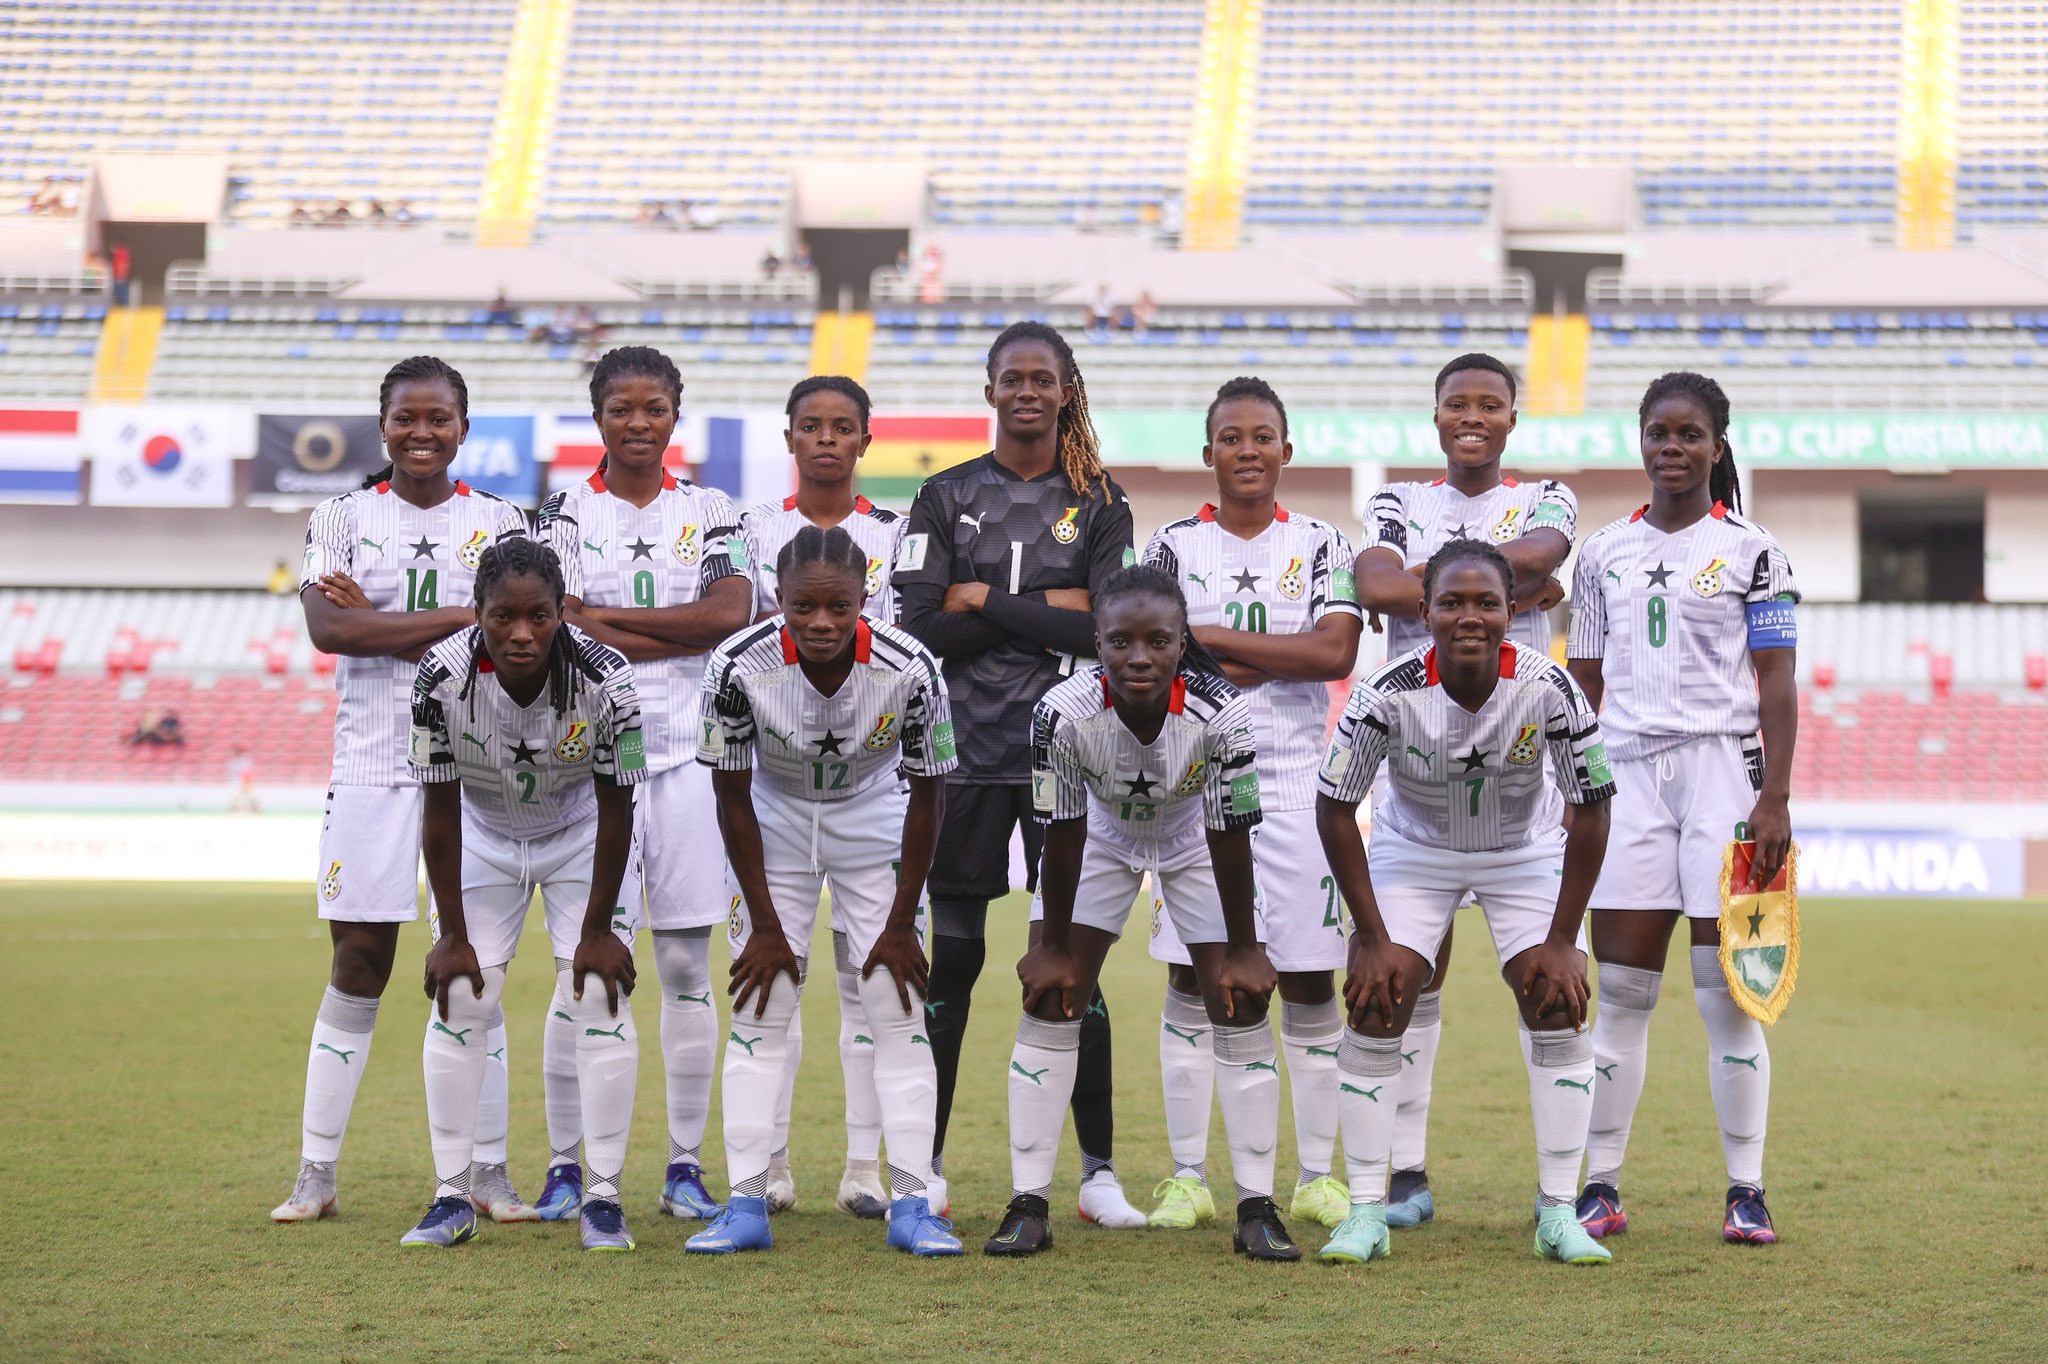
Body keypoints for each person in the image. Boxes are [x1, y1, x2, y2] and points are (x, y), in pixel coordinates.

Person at [272, 356, 530, 1226]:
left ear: (464, 427)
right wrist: (464, 619)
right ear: (382, 425)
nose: (423, 432)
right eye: (406, 418)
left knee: (476, 970)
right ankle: (315, 1172)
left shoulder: (501, 522)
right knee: (359, 961)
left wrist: (379, 621)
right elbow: (328, 628)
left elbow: (518, 636)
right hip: (372, 765)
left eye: (439, 418)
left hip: (479, 765)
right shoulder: (342, 517)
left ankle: (488, 1172)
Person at [895, 320, 1142, 1228]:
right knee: (953, 962)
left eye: (1044, 378)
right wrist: (1049, 608)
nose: (1028, 391)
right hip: (960, 757)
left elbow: (1114, 633)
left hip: (1067, 757)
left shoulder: (1101, 499)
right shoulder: (944, 494)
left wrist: (988, 599)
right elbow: (921, 628)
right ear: (990, 390)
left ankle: (1098, 1174)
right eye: (1014, 378)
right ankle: (924, 1167)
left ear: (1066, 391)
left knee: (1072, 964)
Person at [1314, 538, 1616, 1267]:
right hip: (1414, 850)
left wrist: (1563, 940)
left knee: (1557, 997)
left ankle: (1558, 1212)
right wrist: (1369, 936)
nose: (1469, 616)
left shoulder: (1550, 688)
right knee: (1378, 997)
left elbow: (1593, 807)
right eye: (1451, 602)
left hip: (1522, 851)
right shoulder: (1385, 693)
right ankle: (1365, 1211)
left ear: (1514, 612)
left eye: (1486, 602)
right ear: (1424, 613)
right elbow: (1334, 807)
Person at [989, 566, 1293, 1259]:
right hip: (1100, 835)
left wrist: (1245, 947)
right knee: (1052, 995)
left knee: (1238, 1000)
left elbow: (1229, 833)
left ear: (1182, 643)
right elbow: (1063, 832)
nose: (1138, 657)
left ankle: (1256, 1209)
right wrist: (1053, 945)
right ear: (1096, 642)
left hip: (1194, 839)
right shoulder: (1060, 713)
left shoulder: (1221, 713)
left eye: (1158, 641)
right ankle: (1028, 1204)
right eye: (1120, 641)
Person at [1567, 371, 1799, 1246]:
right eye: (1658, 432)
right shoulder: (1602, 552)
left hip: (1724, 778)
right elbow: (1582, 683)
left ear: (1716, 445)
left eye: (1689, 433)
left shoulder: (1755, 550)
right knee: (1622, 996)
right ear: (1640, 441)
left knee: (1728, 998)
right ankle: (1600, 1186)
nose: (1672, 446)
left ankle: (1747, 1191)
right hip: (1625, 777)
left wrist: (1774, 797)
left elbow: (1776, 680)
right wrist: (1573, 788)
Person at [686, 527, 962, 1257]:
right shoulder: (734, 665)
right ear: (777, 597)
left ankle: (912, 1205)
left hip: (872, 821)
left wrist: (901, 924)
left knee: (896, 1007)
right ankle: (746, 1204)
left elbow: (931, 797)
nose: (820, 622)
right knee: (762, 1005)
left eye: (839, 606)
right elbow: (731, 796)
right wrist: (765, 925)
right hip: (773, 822)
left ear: (865, 597)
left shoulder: (912, 668)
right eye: (803, 606)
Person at [1350, 352, 1577, 1228]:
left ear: (1512, 418)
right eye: (1457, 403)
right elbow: (1374, 584)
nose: (1472, 416)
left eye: (1490, 403)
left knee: (1549, 987)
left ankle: (1560, 1196)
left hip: (1519, 774)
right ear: (1436, 415)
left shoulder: (1548, 495)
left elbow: (1545, 553)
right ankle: (1405, 1174)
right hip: (1416, 774)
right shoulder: (1396, 499)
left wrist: (1433, 581)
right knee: (1409, 980)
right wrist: (1504, 583)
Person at [536, 345, 753, 1224]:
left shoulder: (711, 509)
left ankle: (684, 1166)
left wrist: (602, 619)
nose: (637, 422)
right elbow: (555, 631)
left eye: (653, 407)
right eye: (620, 408)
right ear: (598, 416)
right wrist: (672, 631)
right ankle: (565, 1166)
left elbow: (729, 617)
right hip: (592, 763)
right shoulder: (559, 513)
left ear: (674, 415)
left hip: (691, 760)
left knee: (685, 963)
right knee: (582, 968)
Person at [1141, 377, 1362, 1233]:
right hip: (1194, 786)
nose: (1247, 449)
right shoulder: (1170, 546)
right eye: (1230, 437)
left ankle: (1316, 1177)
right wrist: (1277, 651)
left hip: (1298, 788)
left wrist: (1210, 641)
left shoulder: (1321, 543)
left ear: (1285, 450)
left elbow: (1333, 653)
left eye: (1262, 436)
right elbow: (1157, 659)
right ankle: (1188, 1176)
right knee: (1192, 977)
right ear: (1208, 453)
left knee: (1309, 979)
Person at [405, 540, 647, 1251]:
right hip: (482, 835)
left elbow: (619, 807)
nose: (521, 633)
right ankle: (452, 1196)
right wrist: (452, 935)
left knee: (598, 992)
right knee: (461, 995)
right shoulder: (438, 677)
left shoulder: (609, 679)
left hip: (581, 834)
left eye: (538, 616)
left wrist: (598, 930)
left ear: (560, 612)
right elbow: (438, 808)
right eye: (502, 617)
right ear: (476, 613)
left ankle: (603, 1199)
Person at [738, 376, 907, 1219]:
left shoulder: (898, 533)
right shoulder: (751, 529)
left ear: (865, 441)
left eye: (844, 427)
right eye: (813, 425)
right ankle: (768, 1166)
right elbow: (734, 635)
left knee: (866, 984)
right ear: (791, 438)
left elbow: (905, 645)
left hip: (872, 781)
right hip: (775, 782)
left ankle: (865, 1169)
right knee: (772, 978)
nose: (829, 439)